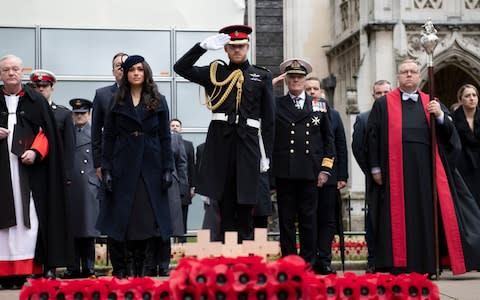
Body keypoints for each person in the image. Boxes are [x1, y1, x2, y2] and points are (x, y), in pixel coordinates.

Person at [367, 59, 480, 275]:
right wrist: (375, 168)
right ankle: (399, 265)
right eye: (404, 72)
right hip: (395, 173)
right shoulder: (383, 104)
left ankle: (427, 265)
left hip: (426, 174)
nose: (409, 75)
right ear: (398, 77)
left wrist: (439, 116)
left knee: (425, 217)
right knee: (398, 220)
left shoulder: (431, 102)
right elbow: (372, 137)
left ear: (419, 76)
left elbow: (451, 138)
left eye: (413, 72)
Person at [174, 24, 275, 242]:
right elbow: (180, 68)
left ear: (247, 46)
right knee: (225, 203)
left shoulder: (261, 76)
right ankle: (227, 258)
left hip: (248, 143)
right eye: (232, 46)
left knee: (247, 202)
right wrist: (201, 47)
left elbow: (269, 120)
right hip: (222, 143)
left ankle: (246, 256)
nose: (237, 50)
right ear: (225, 49)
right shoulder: (215, 72)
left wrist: (267, 155)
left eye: (240, 46)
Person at [96, 55, 174, 277]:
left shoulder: (158, 99)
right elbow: (108, 136)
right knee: (125, 219)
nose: (136, 73)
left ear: (146, 72)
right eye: (132, 70)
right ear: (126, 74)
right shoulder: (116, 101)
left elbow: (165, 137)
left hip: (151, 164)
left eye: (140, 69)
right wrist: (107, 168)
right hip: (124, 165)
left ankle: (144, 269)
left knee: (148, 221)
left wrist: (168, 168)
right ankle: (126, 268)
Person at [0, 54, 72, 285]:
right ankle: (4, 272)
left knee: (29, 217)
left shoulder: (35, 100)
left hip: (29, 174)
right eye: (6, 70)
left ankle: (27, 268)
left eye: (15, 69)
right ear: (0, 74)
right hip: (1, 173)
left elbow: (46, 132)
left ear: (22, 72)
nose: (11, 73)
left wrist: (36, 151)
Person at [272, 59, 334, 265]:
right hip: (285, 173)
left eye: (299, 77)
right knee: (286, 222)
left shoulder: (319, 105)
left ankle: (309, 262)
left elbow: (328, 140)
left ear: (304, 79)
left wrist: (325, 169)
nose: (296, 80)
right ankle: (289, 262)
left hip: (310, 172)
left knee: (309, 221)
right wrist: (268, 84)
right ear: (286, 80)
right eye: (292, 77)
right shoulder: (276, 104)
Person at [305, 77, 348, 275]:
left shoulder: (335, 115)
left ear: (321, 91)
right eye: (308, 89)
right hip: (306, 176)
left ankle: (325, 259)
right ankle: (310, 259)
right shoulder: (300, 114)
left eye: (315, 88)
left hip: (330, 177)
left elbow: (340, 145)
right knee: (309, 219)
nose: (312, 92)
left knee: (328, 220)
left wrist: (342, 176)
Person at [91, 52, 128, 278]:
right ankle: (119, 267)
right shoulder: (103, 95)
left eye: (126, 65)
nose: (122, 69)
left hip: (137, 162)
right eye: (118, 66)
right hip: (111, 164)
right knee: (114, 215)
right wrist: (98, 164)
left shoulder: (145, 93)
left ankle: (136, 265)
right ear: (113, 71)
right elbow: (96, 133)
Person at [351, 79, 391, 273]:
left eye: (386, 92)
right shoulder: (364, 118)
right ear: (373, 95)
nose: (383, 96)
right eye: (379, 93)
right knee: (374, 219)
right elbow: (358, 148)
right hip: (375, 179)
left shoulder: (398, 117)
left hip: (398, 179)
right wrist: (371, 170)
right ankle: (373, 259)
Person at [60, 98, 99, 279]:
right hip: (70, 184)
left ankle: (89, 267)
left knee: (88, 230)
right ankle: (73, 267)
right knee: (72, 229)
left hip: (88, 186)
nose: (79, 117)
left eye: (83, 113)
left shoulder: (96, 134)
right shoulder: (66, 133)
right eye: (76, 114)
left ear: (89, 114)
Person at [29, 69, 75, 186]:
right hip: (30, 168)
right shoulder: (26, 112)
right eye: (37, 86)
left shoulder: (63, 114)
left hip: (54, 169)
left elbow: (69, 147)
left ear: (52, 88)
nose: (41, 89)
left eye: (45, 86)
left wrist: (67, 175)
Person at [453, 84, 480, 208]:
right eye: (467, 96)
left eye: (474, 95)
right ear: (460, 99)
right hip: (463, 164)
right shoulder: (453, 118)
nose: (472, 98)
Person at [170, 118, 195, 242]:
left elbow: (191, 166)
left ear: (181, 129)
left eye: (177, 125)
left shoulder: (188, 145)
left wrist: (192, 187)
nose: (175, 127)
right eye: (172, 125)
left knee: (183, 216)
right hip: (170, 186)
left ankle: (182, 243)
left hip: (184, 187)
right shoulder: (166, 143)